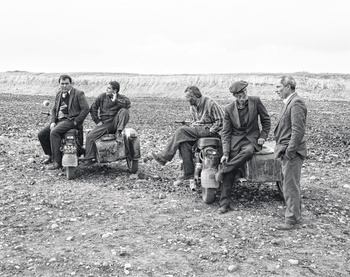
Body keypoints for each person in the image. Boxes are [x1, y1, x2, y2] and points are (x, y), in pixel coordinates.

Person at [216, 80, 271, 213]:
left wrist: (263, 136)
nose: (244, 95)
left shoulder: (256, 101)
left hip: (251, 141)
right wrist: (226, 153)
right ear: (235, 96)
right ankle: (224, 203)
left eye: (245, 91)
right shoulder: (229, 109)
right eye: (240, 94)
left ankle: (223, 170)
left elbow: (266, 120)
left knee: (248, 152)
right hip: (235, 142)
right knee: (231, 167)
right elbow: (226, 132)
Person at [151, 86, 224, 181]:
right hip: (200, 131)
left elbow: (221, 120)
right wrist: (192, 125)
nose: (187, 100)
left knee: (181, 131)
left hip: (211, 132)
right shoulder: (192, 107)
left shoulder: (211, 104)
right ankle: (188, 172)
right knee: (183, 143)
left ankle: (164, 157)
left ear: (196, 96)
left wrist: (211, 131)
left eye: (188, 97)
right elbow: (196, 122)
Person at [274, 76, 307, 230]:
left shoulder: (296, 103)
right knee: (290, 184)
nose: (277, 91)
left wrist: (290, 152)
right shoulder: (290, 102)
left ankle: (292, 219)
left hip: (292, 152)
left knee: (290, 185)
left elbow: (298, 130)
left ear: (288, 87)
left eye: (279, 87)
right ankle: (295, 215)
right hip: (288, 150)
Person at [38, 74, 89, 170]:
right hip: (59, 120)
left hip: (70, 121)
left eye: (66, 83)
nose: (64, 86)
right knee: (42, 134)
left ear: (71, 83)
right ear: (59, 84)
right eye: (62, 84)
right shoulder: (58, 94)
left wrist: (76, 121)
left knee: (54, 132)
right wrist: (53, 121)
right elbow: (53, 109)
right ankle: (51, 155)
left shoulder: (78, 93)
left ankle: (57, 162)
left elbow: (86, 109)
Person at [81, 81, 131, 165]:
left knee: (125, 111)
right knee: (90, 136)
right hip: (105, 124)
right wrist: (97, 121)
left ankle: (118, 133)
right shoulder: (102, 96)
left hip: (116, 123)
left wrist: (116, 100)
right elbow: (93, 108)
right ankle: (89, 158)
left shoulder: (121, 98)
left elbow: (128, 105)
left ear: (115, 90)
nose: (106, 89)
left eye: (109, 88)